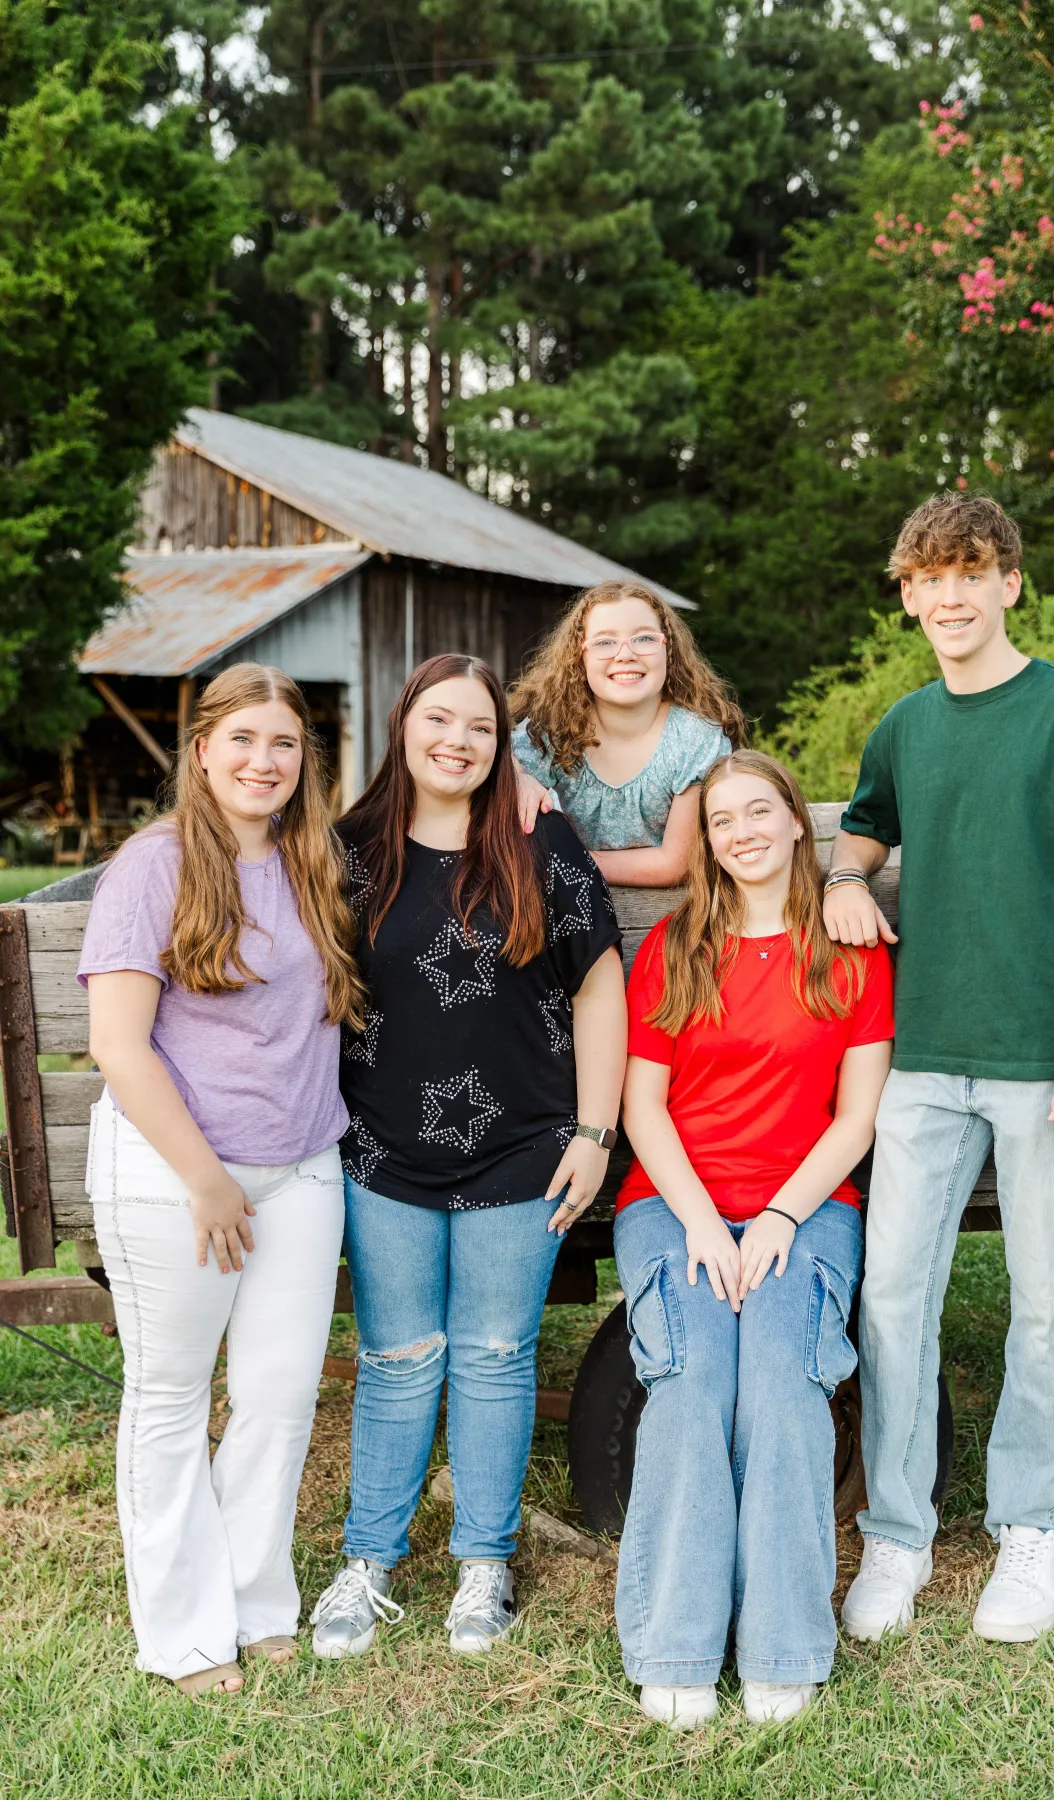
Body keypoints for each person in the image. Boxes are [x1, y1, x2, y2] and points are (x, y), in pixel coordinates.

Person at [828, 491, 1054, 1645]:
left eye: (972, 573)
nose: (950, 595)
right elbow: (864, 827)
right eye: (930, 578)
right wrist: (842, 878)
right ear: (908, 596)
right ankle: (897, 1535)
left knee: (1049, 1304)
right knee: (891, 1298)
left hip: (1047, 1060)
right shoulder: (905, 726)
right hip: (920, 1064)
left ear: (1010, 583)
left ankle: (1030, 1527)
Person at [309, 654, 627, 1660]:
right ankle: (369, 1559)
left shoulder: (538, 841)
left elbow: (599, 985)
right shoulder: (349, 853)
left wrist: (595, 1133)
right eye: (439, 720)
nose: (458, 741)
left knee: (495, 1356)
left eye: (481, 728)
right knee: (397, 1358)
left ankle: (484, 1564)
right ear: (402, 725)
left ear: (503, 746)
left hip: (523, 1149)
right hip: (383, 1149)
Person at [79, 664, 364, 1696]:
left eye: (283, 743)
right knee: (169, 1397)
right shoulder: (153, 865)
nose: (263, 760)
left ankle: (253, 1601)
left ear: (304, 761)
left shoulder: (312, 859)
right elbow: (117, 1044)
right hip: (179, 1172)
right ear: (201, 752)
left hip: (303, 1169)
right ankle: (183, 1634)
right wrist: (205, 1181)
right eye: (242, 739)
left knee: (279, 1398)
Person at [615, 749, 894, 1729]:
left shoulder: (849, 951)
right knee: (694, 1381)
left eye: (759, 811)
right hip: (674, 1201)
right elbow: (643, 1108)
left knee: (781, 1384)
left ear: (795, 820)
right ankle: (675, 1644)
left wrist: (777, 1217)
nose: (742, 832)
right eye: (722, 819)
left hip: (807, 1205)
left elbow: (855, 1120)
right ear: (708, 841)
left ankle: (781, 1644)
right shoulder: (676, 947)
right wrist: (702, 1221)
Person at [509, 579, 746, 885]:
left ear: (668, 649)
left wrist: (564, 860)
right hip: (565, 909)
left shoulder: (694, 737)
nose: (625, 655)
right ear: (579, 656)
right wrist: (517, 775)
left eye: (644, 639)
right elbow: (492, 760)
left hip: (669, 910)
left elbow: (675, 863)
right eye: (605, 642)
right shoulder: (553, 728)